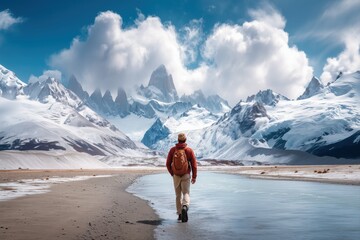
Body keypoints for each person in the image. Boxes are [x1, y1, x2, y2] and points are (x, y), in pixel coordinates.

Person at [166, 133, 197, 222]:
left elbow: (168, 164)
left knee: (178, 195)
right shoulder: (189, 150)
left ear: (178, 140)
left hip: (176, 176)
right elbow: (194, 165)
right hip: (186, 175)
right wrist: (194, 176)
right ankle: (185, 206)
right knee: (186, 193)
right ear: (185, 140)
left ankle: (180, 214)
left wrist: (172, 173)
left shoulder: (173, 150)